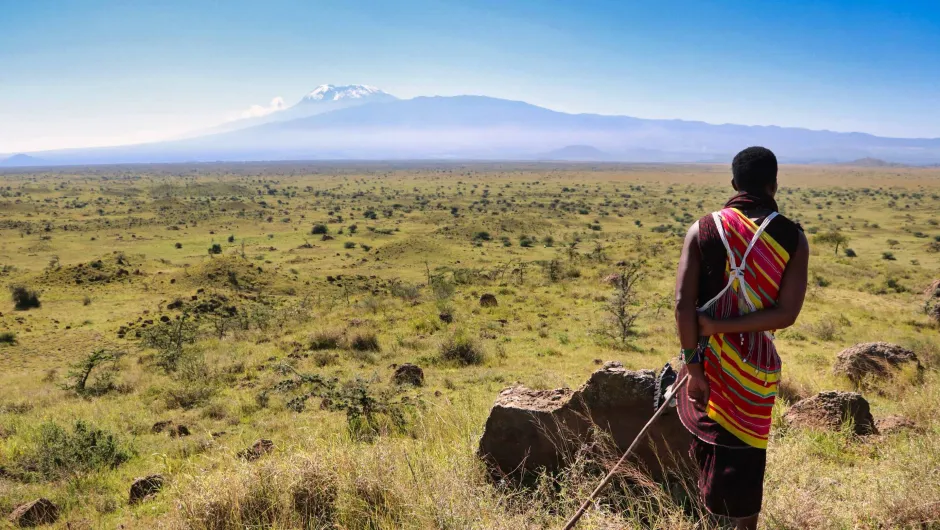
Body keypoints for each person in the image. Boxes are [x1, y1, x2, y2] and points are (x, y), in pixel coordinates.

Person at [673, 146, 809, 530]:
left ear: (734, 184)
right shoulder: (793, 237)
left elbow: (683, 304)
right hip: (755, 370)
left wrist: (692, 363)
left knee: (711, 451)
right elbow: (786, 315)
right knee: (746, 458)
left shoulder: (702, 229)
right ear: (774, 185)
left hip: (706, 362)